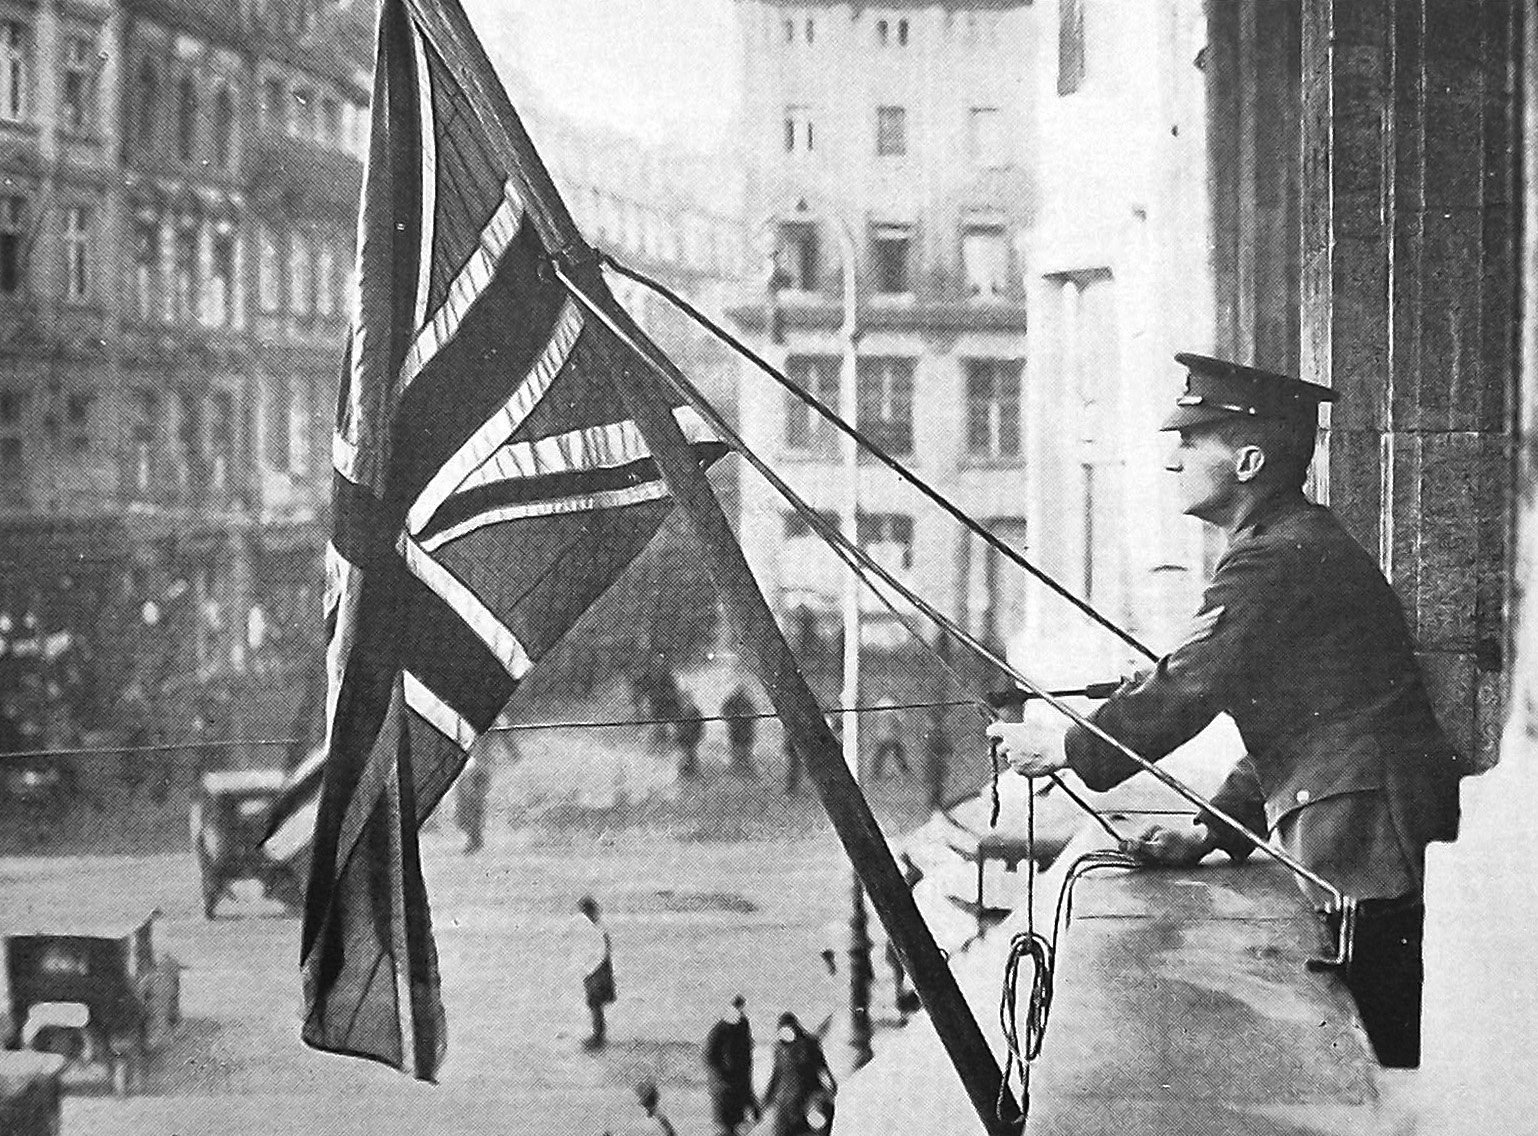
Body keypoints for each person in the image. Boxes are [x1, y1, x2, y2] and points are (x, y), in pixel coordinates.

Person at [986, 353, 1464, 1070]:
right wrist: (1209, 830)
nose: (1172, 460)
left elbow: (1192, 682)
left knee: (1377, 1066)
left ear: (1247, 461)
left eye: (1189, 440)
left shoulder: (1276, 557)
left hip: (1367, 845)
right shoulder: (1291, 542)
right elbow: (1294, 721)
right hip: (1360, 833)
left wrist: (1068, 748)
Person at [761, 1011, 837, 1136]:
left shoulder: (809, 1044)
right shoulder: (779, 1049)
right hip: (785, 1102)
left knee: (815, 1128)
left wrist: (831, 1085)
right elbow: (776, 1075)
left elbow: (822, 1067)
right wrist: (766, 1100)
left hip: (808, 1097)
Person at [703, 994, 759, 1135]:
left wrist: (751, 1099)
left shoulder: (742, 1028)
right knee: (725, 1128)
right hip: (724, 1090)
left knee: (736, 1127)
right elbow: (709, 1057)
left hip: (738, 1088)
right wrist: (722, 1079)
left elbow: (746, 1067)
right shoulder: (720, 1030)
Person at [572, 895, 615, 1050]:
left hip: (597, 970)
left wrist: (589, 969)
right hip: (598, 969)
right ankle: (598, 1035)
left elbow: (600, 952)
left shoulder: (596, 928)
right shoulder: (597, 926)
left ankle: (598, 1037)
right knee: (595, 1004)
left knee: (595, 1003)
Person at [868, 695, 910, 779]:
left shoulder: (879, 705)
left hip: (881, 735)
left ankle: (876, 772)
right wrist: (899, 731)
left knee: (882, 754)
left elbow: (873, 721)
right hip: (891, 735)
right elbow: (898, 721)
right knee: (896, 753)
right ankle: (904, 770)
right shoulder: (893, 707)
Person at [721, 685, 758, 777]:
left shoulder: (745, 701)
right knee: (738, 750)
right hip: (737, 730)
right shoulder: (734, 701)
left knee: (744, 751)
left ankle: (745, 769)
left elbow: (754, 714)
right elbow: (724, 712)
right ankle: (739, 769)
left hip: (744, 730)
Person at [674, 691, 704, 779]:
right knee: (684, 755)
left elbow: (700, 726)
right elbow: (677, 725)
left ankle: (693, 772)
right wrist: (677, 735)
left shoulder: (695, 712)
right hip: (682, 738)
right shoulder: (680, 711)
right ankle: (684, 772)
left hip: (692, 738)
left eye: (687, 699)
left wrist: (697, 736)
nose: (685, 701)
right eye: (683, 699)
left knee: (691, 754)